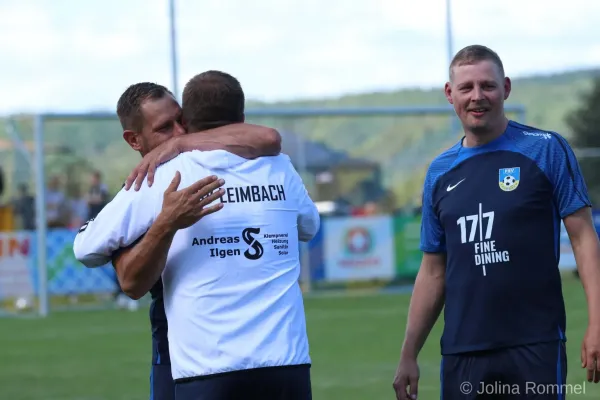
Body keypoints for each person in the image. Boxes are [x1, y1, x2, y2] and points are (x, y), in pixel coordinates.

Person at [74, 70, 319, 400]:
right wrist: (165, 223)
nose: (177, 133)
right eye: (165, 129)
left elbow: (87, 248)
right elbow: (309, 225)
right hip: (220, 354)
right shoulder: (274, 166)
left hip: (210, 364)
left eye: (181, 121)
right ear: (134, 140)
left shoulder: (170, 172)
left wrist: (179, 144)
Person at [393, 45, 600, 400]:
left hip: (535, 344)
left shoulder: (546, 149)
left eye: (487, 86)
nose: (478, 97)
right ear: (450, 94)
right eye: (466, 88)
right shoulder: (439, 174)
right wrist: (408, 352)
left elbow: (583, 239)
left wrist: (597, 322)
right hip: (463, 351)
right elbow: (432, 270)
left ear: (505, 87)